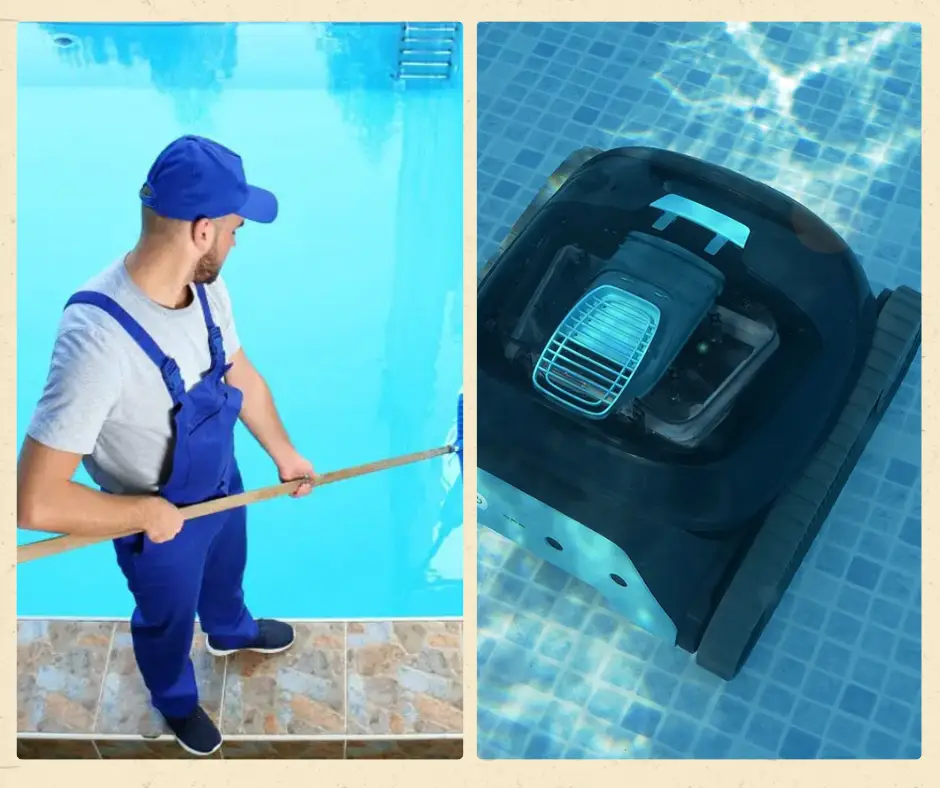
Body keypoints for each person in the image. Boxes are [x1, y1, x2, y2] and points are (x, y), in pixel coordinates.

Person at [16, 135, 316, 757]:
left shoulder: (205, 288)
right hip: (155, 520)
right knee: (167, 620)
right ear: (203, 231)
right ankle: (176, 700)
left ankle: (230, 632)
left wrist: (282, 453)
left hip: (221, 483)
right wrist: (142, 515)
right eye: (235, 228)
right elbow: (35, 502)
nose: (237, 240)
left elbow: (240, 373)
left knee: (228, 572)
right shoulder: (95, 341)